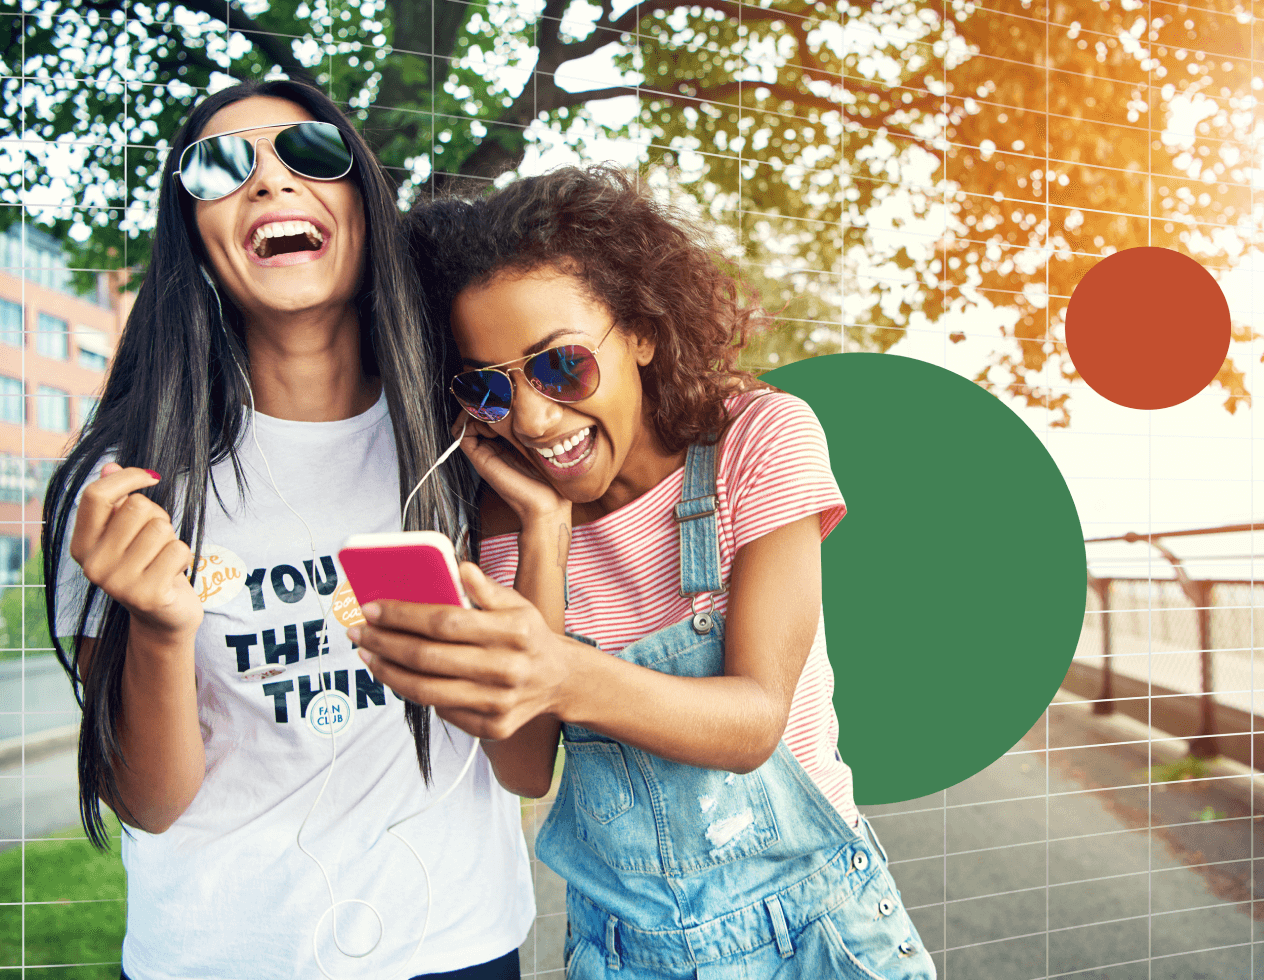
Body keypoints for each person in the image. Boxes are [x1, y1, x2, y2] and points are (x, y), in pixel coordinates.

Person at [353, 167, 937, 979]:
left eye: (559, 367)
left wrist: (556, 670)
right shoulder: (505, 520)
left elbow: (751, 725)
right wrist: (545, 533)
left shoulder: (757, 442)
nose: (532, 419)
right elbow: (524, 768)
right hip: (621, 951)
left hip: (817, 934)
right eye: (489, 388)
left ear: (642, 331)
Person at [43, 79, 533, 979]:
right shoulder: (126, 486)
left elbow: (524, 747)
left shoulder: (469, 435)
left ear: (364, 206)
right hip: (222, 957)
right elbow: (149, 804)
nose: (268, 183)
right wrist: (158, 629)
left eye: (307, 153)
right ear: (192, 235)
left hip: (458, 944)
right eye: (221, 167)